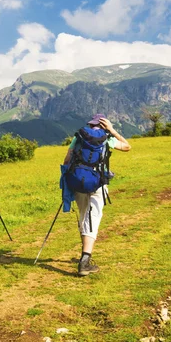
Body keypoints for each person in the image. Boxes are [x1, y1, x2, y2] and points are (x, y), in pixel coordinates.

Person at [63, 114, 131, 276]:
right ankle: (85, 261)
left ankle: (84, 255)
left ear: (90, 124)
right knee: (93, 218)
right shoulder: (107, 139)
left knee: (83, 216)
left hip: (78, 180)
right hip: (97, 182)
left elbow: (67, 160)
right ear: (103, 125)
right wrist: (112, 130)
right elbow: (128, 146)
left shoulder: (79, 137)